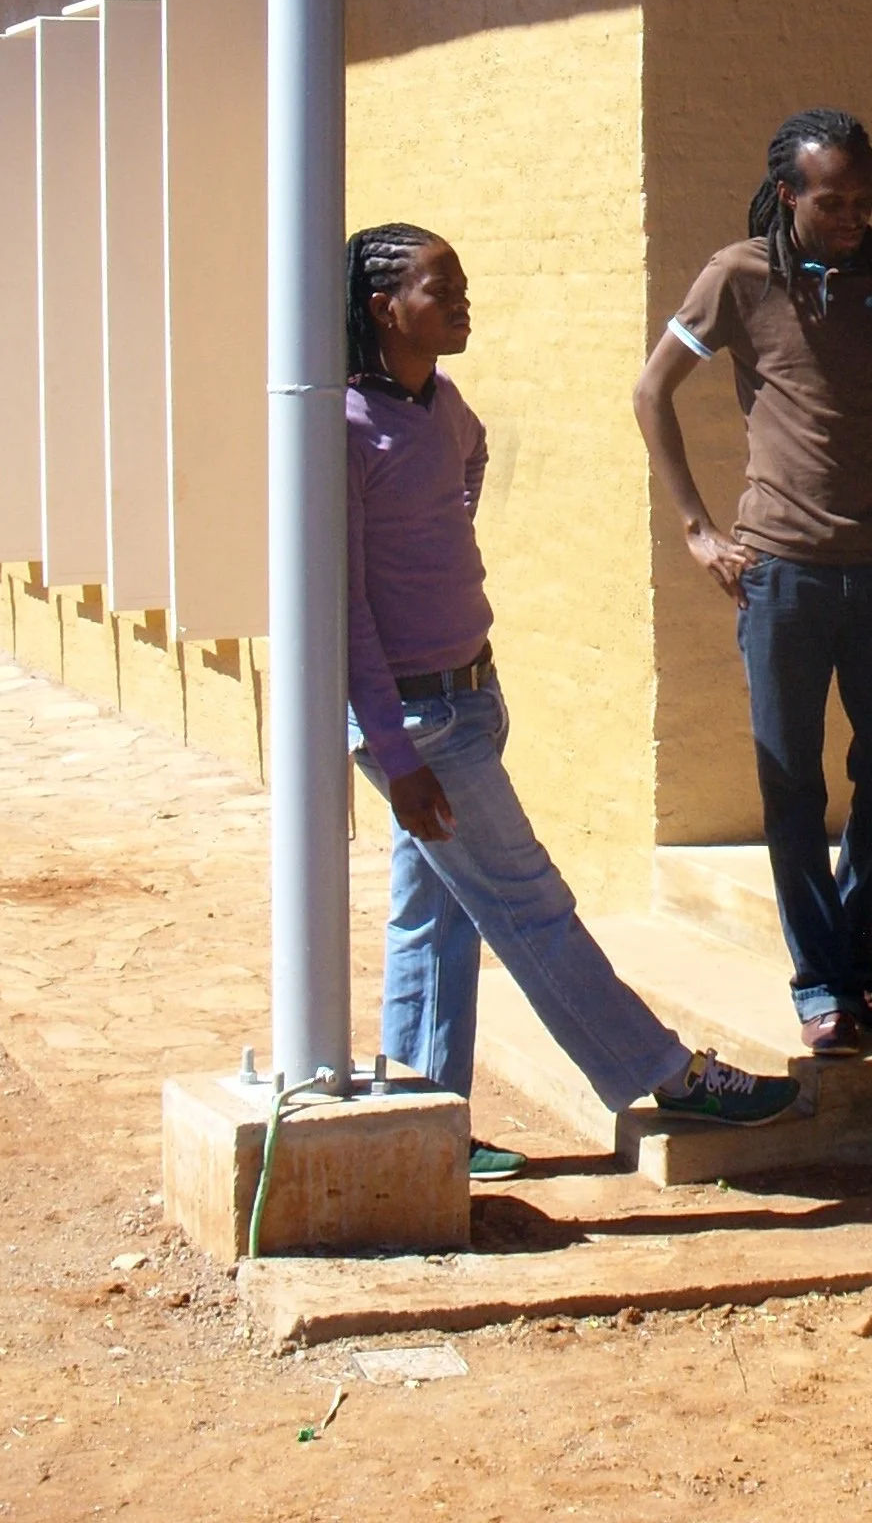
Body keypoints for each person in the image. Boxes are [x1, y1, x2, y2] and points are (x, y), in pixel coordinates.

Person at [345, 223, 800, 1170]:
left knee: (434, 918)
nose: (463, 300)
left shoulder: (439, 403)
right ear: (386, 307)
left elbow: (465, 464)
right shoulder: (346, 429)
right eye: (443, 287)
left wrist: (444, 549)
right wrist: (396, 754)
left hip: (470, 697)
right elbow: (342, 611)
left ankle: (424, 1123)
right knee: (530, 903)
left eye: (463, 283)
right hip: (422, 724)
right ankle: (666, 1074)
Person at [632, 110, 872, 1057]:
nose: (852, 213)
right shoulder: (740, 277)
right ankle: (821, 983)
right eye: (833, 199)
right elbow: (652, 392)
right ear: (790, 194)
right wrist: (697, 529)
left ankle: (853, 963)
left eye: (863, 196)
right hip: (781, 573)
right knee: (790, 781)